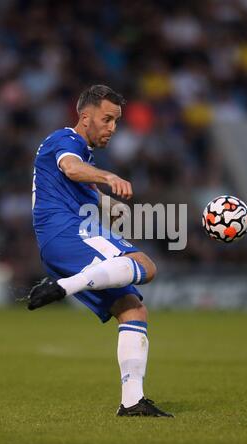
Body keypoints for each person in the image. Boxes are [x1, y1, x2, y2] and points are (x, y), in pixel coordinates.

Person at [28, 84, 173, 418]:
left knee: (132, 308)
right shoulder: (65, 140)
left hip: (64, 236)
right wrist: (108, 176)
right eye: (107, 120)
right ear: (85, 117)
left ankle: (132, 402)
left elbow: (86, 188)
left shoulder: (84, 158)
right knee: (146, 266)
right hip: (67, 231)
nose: (112, 128)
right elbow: (70, 167)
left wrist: (118, 207)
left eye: (116, 122)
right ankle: (62, 287)